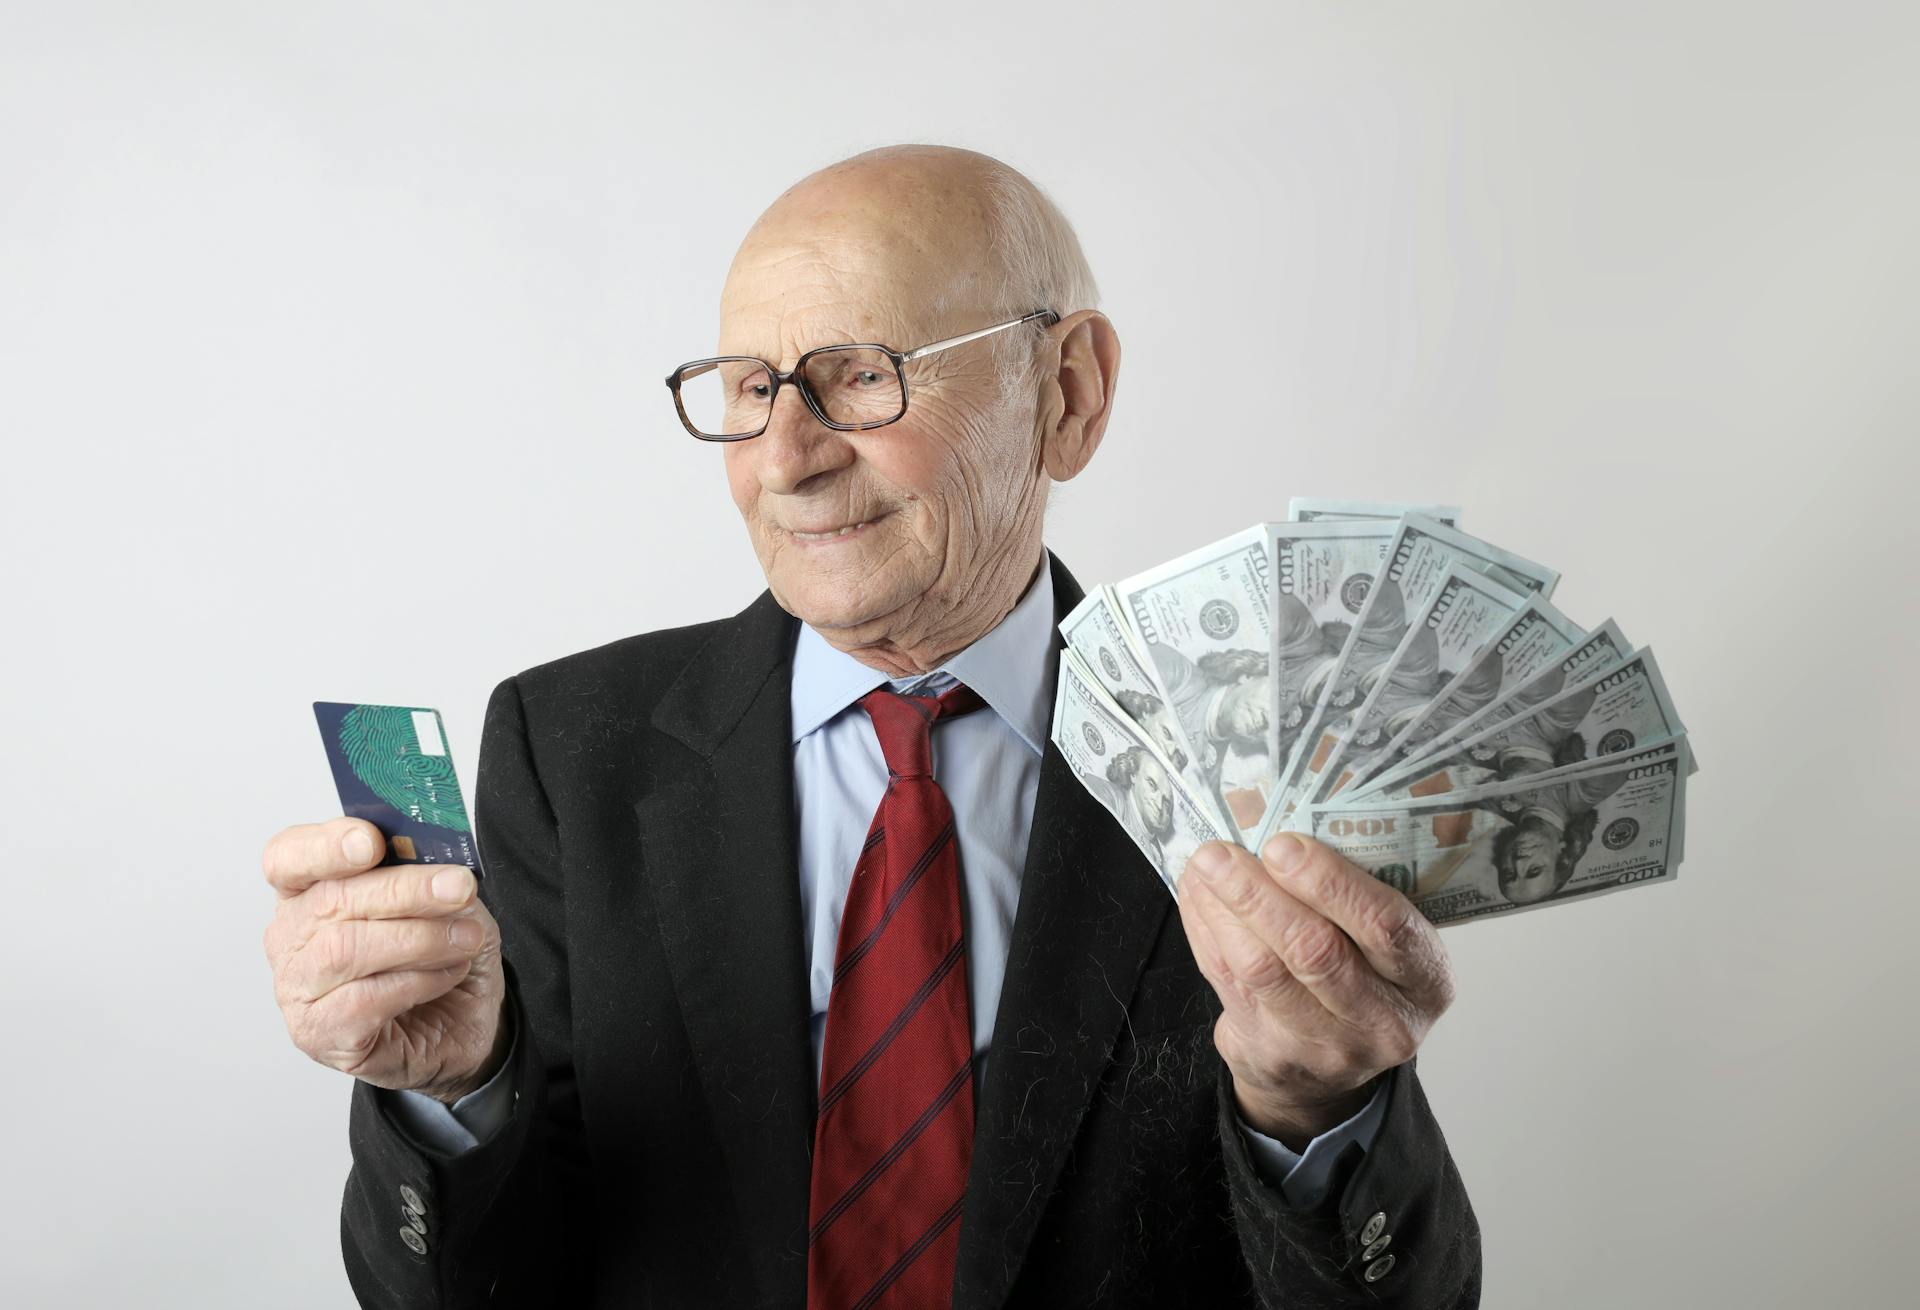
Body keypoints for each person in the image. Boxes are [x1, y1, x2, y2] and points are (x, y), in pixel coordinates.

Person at [261, 145, 1478, 1309]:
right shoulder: (569, 747)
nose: (786, 459)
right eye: (749, 388)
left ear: (1069, 392)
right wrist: (456, 1093)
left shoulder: (1271, 758)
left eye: (861, 372)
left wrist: (1319, 1111)